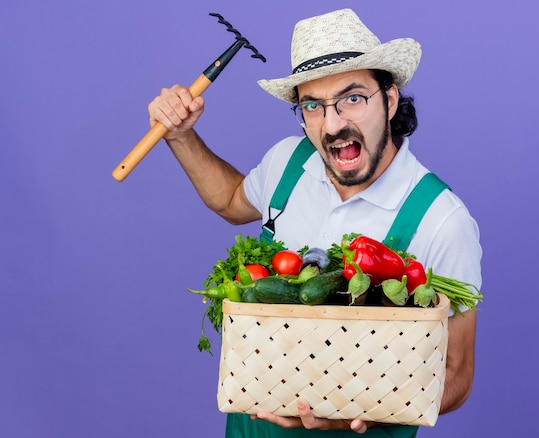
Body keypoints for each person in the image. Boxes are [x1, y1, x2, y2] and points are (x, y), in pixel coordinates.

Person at [148, 8, 482, 437]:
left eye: (353, 98)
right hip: (253, 428)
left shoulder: (442, 220)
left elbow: (456, 374)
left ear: (390, 99)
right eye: (313, 106)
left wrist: (356, 411)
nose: (334, 124)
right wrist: (180, 135)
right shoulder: (288, 161)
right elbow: (231, 201)